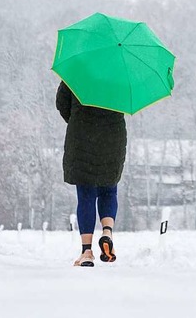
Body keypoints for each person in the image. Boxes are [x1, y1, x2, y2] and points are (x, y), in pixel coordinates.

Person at [56, 81, 127, 267]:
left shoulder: (77, 69)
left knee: (86, 194)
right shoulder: (120, 72)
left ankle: (87, 252)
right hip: (113, 137)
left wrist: (78, 120)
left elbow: (62, 103)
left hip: (82, 137)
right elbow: (128, 102)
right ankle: (107, 232)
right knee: (109, 190)